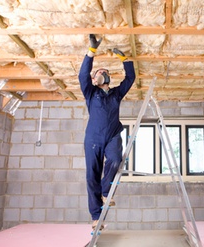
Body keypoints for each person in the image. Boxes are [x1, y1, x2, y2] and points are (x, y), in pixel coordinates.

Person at [78, 34, 136, 231]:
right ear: (94, 79)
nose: (102, 73)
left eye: (105, 71)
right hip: (92, 139)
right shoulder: (90, 93)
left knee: (114, 160)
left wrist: (125, 60)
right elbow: (82, 76)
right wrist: (91, 52)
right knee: (91, 176)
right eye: (99, 72)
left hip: (112, 136)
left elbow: (131, 78)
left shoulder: (116, 94)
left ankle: (106, 192)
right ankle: (96, 217)